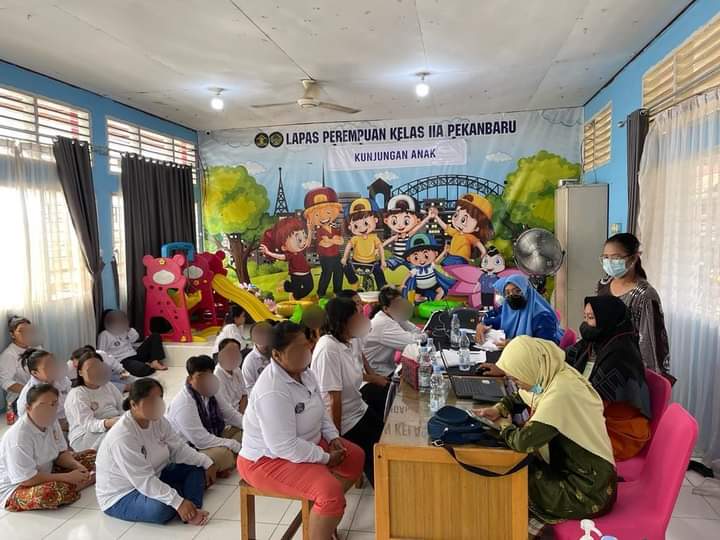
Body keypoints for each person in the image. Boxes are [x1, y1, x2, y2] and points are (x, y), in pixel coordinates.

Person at [476, 337, 617, 537]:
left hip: (588, 491)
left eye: (516, 379)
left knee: (512, 475)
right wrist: (500, 408)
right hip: (579, 471)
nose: (517, 385)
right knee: (517, 469)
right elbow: (523, 395)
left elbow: (523, 442)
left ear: (530, 369)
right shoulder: (553, 374)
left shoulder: (561, 394)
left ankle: (511, 532)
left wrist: (504, 425)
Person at [238, 321, 364, 540]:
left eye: (306, 345)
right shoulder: (272, 390)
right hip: (267, 460)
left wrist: (333, 437)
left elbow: (320, 411)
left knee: (355, 457)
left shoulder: (305, 373)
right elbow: (284, 446)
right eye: (297, 349)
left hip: (306, 443)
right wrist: (325, 458)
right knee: (330, 494)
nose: (306, 353)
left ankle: (322, 516)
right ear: (277, 355)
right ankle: (324, 514)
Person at [96, 378, 217, 526]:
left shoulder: (158, 421)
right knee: (161, 509)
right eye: (150, 401)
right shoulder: (123, 436)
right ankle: (181, 503)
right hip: (123, 494)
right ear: (133, 404)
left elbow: (179, 449)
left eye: (159, 398)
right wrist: (177, 502)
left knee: (196, 468)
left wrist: (207, 462)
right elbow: (142, 480)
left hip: (156, 474)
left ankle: (191, 508)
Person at [566, 296, 652, 460]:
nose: (585, 323)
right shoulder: (595, 343)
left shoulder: (620, 354)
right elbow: (562, 358)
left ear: (607, 318)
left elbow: (594, 402)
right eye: (585, 317)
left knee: (554, 437)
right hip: (597, 419)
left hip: (620, 433)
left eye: (591, 318)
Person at [312, 298, 385, 487]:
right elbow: (333, 398)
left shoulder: (347, 342)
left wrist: (374, 378)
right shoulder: (328, 348)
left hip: (358, 408)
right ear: (343, 322)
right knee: (377, 454)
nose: (361, 320)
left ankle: (389, 488)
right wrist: (335, 437)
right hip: (344, 420)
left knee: (386, 438)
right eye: (356, 317)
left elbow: (352, 376)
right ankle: (385, 494)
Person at [0, 384, 95, 511]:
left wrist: (76, 466)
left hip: (47, 471)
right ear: (28, 408)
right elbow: (27, 479)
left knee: (92, 456)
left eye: (53, 404)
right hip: (17, 486)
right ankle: (85, 480)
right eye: (42, 405)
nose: (49, 410)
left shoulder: (52, 421)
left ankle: (78, 481)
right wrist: (68, 477)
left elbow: (61, 453)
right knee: (52, 492)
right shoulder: (18, 437)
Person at [597, 233, 671, 375]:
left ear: (633, 258)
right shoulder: (603, 285)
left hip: (629, 369)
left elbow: (650, 344)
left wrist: (648, 378)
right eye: (606, 257)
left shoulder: (645, 295)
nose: (609, 262)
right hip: (602, 360)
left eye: (616, 258)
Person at [167, 355, 244, 476]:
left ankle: (227, 461)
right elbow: (200, 440)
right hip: (190, 447)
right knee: (223, 455)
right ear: (190, 379)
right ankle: (223, 462)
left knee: (243, 432)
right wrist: (232, 444)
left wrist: (253, 428)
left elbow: (230, 414)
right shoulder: (184, 403)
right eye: (200, 376)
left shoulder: (212, 390)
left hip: (211, 435)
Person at [476, 274, 563, 347]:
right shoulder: (510, 310)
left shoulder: (542, 316)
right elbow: (497, 321)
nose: (512, 296)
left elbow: (547, 347)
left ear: (527, 291)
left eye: (517, 291)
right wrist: (482, 325)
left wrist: (515, 345)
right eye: (507, 293)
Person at [65, 350, 124, 451]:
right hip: (84, 435)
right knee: (119, 436)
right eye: (90, 369)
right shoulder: (77, 394)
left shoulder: (108, 385)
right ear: (80, 373)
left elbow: (122, 407)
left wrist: (124, 419)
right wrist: (109, 423)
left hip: (113, 424)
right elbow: (88, 424)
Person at [363, 286, 422, 377]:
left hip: (387, 366)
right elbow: (412, 343)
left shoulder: (394, 315)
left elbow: (416, 331)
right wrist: (425, 335)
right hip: (376, 372)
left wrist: (421, 335)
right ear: (385, 309)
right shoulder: (383, 323)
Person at [97, 309, 167, 377]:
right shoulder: (104, 334)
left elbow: (135, 338)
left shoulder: (123, 330)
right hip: (122, 360)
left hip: (135, 355)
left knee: (155, 335)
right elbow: (101, 352)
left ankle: (154, 361)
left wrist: (128, 328)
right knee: (144, 370)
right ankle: (146, 365)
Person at [16, 348, 72, 432]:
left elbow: (71, 401)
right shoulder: (29, 393)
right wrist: (61, 427)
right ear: (35, 373)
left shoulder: (62, 380)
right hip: (45, 429)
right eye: (47, 367)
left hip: (68, 421)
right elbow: (31, 423)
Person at [431, 193, 493, 265]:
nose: (457, 221)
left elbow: (479, 245)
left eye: (463, 220)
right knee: (443, 265)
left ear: (477, 228)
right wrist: (436, 217)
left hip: (461, 259)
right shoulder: (456, 233)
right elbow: (445, 227)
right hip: (451, 256)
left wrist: (483, 253)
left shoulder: (469, 237)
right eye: (456, 215)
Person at [260, 217, 314, 300]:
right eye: (299, 239)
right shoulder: (290, 254)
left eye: (304, 235)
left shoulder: (301, 250)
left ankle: (287, 287)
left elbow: (308, 242)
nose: (303, 241)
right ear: (284, 247)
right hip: (296, 275)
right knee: (296, 291)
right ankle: (289, 289)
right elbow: (281, 257)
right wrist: (269, 253)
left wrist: (309, 230)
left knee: (310, 287)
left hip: (307, 273)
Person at [304, 187, 344, 297]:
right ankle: (320, 293)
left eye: (328, 212)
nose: (324, 217)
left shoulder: (335, 227)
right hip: (325, 257)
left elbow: (341, 241)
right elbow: (323, 244)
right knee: (327, 273)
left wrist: (330, 240)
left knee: (339, 272)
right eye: (317, 215)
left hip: (336, 255)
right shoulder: (319, 230)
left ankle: (337, 292)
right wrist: (333, 240)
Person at [341, 198, 387, 290]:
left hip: (372, 263)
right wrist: (345, 258)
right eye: (356, 226)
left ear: (375, 220)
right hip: (356, 262)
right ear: (349, 227)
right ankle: (354, 282)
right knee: (345, 266)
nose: (362, 228)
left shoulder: (374, 237)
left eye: (366, 223)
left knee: (379, 271)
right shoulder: (355, 238)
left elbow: (380, 248)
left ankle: (382, 288)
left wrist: (383, 261)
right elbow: (349, 246)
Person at [381, 195, 433, 270]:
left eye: (406, 222)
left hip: (409, 259)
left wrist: (428, 217)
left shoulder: (410, 234)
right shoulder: (396, 236)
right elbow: (385, 243)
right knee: (386, 266)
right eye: (394, 222)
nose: (400, 225)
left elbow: (420, 226)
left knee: (416, 269)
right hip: (396, 259)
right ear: (386, 221)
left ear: (418, 220)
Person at [0, 316, 35, 412]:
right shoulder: (9, 355)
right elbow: (5, 382)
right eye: (21, 331)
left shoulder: (36, 349)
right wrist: (31, 391)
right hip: (19, 398)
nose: (26, 334)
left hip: (40, 392)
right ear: (12, 334)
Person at [68, 345, 133, 393]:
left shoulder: (101, 355)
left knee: (128, 379)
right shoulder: (70, 367)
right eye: (76, 366)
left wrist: (123, 372)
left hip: (108, 374)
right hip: (93, 382)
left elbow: (115, 365)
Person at [214, 338, 248, 414]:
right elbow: (226, 409)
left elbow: (244, 395)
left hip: (242, 410)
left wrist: (242, 413)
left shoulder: (236, 369)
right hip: (230, 417)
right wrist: (241, 417)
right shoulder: (217, 376)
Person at [242, 321, 273, 392]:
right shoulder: (250, 361)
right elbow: (249, 388)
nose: (264, 336)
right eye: (259, 333)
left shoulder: (279, 354)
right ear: (252, 338)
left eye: (268, 332)